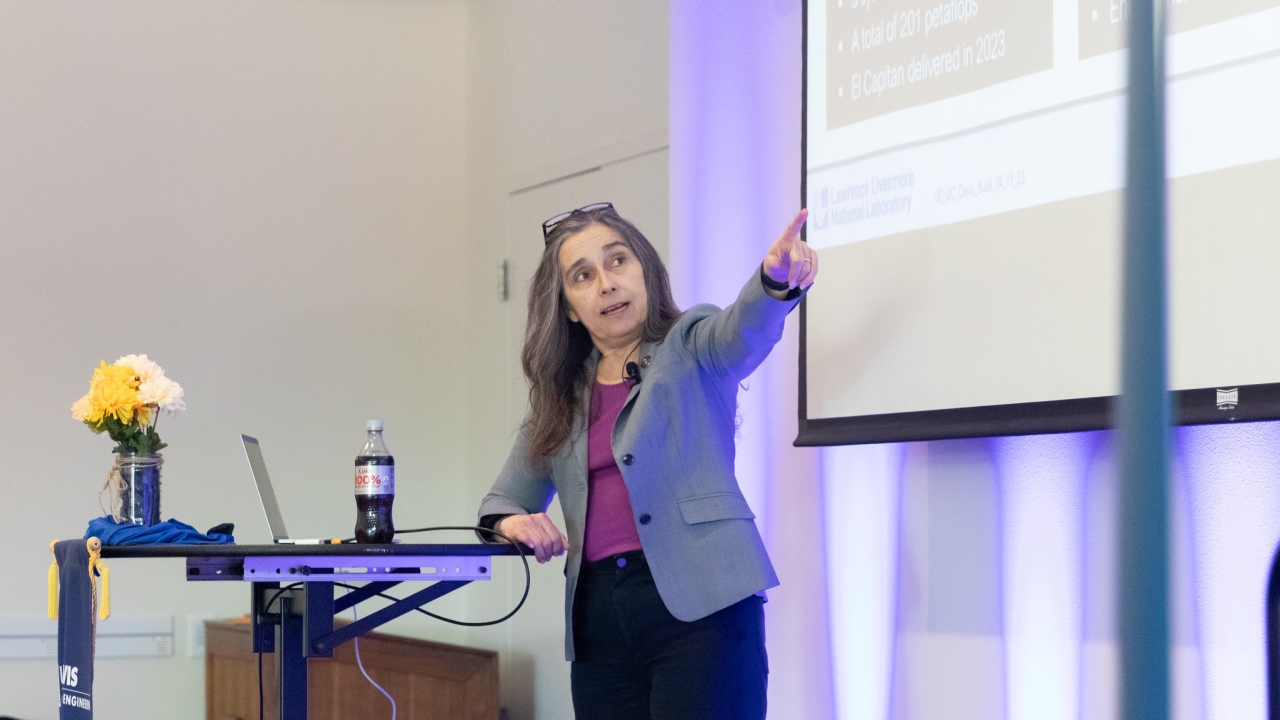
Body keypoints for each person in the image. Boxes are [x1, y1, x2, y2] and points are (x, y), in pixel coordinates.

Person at [477, 202, 818, 720]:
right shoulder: (561, 397)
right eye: (583, 276)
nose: (607, 284)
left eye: (618, 262)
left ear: (645, 270)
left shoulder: (690, 342)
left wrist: (773, 283)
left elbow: (741, 330)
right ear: (569, 307)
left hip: (701, 605)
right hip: (597, 621)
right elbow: (502, 500)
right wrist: (512, 522)